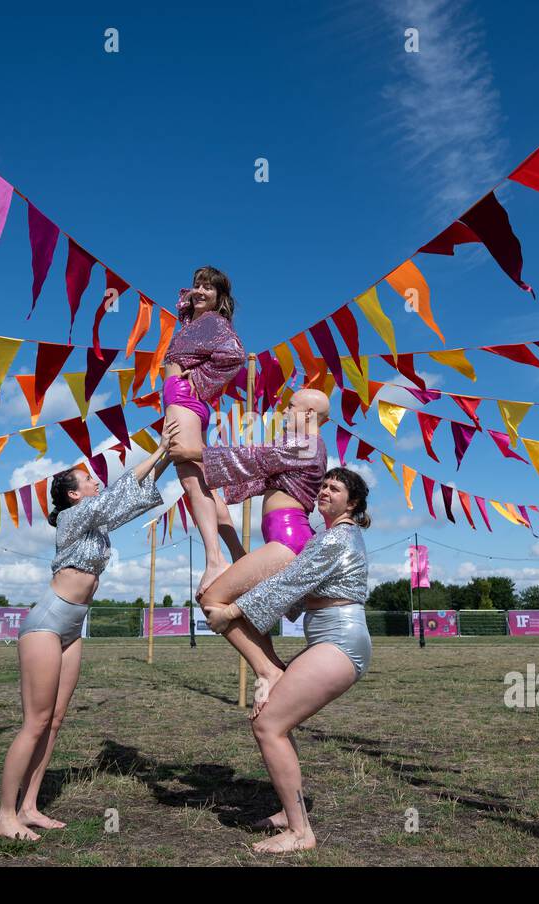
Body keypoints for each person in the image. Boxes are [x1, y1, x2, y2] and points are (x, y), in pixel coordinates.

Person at [0, 435, 174, 841]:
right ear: (74, 494)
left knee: (54, 721)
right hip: (46, 622)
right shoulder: (73, 518)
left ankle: (29, 807)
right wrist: (159, 449)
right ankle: (4, 816)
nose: (96, 481)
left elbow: (133, 497)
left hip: (73, 627)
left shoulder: (96, 519)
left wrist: (169, 459)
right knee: (35, 722)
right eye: (89, 479)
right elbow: (119, 494)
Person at [203, 467, 371, 854]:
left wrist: (231, 611)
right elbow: (291, 587)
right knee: (276, 720)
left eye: (335, 488)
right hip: (328, 641)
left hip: (342, 643)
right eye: (324, 485)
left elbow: (291, 580)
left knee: (268, 724)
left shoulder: (340, 537)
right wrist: (232, 544)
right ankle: (287, 811)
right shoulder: (324, 537)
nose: (325, 490)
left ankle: (300, 833)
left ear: (354, 502)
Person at [166, 388, 330, 716]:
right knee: (249, 609)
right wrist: (202, 468)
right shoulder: (298, 450)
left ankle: (269, 671)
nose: (283, 413)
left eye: (291, 407)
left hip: (288, 540)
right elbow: (248, 472)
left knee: (212, 598)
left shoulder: (307, 445)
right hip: (283, 539)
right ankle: (273, 670)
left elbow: (252, 457)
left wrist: (193, 450)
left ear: (310, 415)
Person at [161, 266, 247, 598]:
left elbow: (235, 355)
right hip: (182, 399)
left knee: (190, 480)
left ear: (220, 297)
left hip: (183, 398)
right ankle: (237, 554)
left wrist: (195, 379)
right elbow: (184, 301)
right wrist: (193, 298)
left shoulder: (213, 323)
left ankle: (214, 560)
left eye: (208, 288)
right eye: (197, 285)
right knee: (204, 482)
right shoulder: (193, 323)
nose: (199, 290)